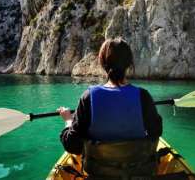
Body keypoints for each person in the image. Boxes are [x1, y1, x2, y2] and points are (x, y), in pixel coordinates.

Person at [58, 37, 162, 179]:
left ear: (102, 63)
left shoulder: (88, 97)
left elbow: (72, 146)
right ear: (129, 64)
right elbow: (156, 133)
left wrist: (69, 120)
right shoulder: (144, 96)